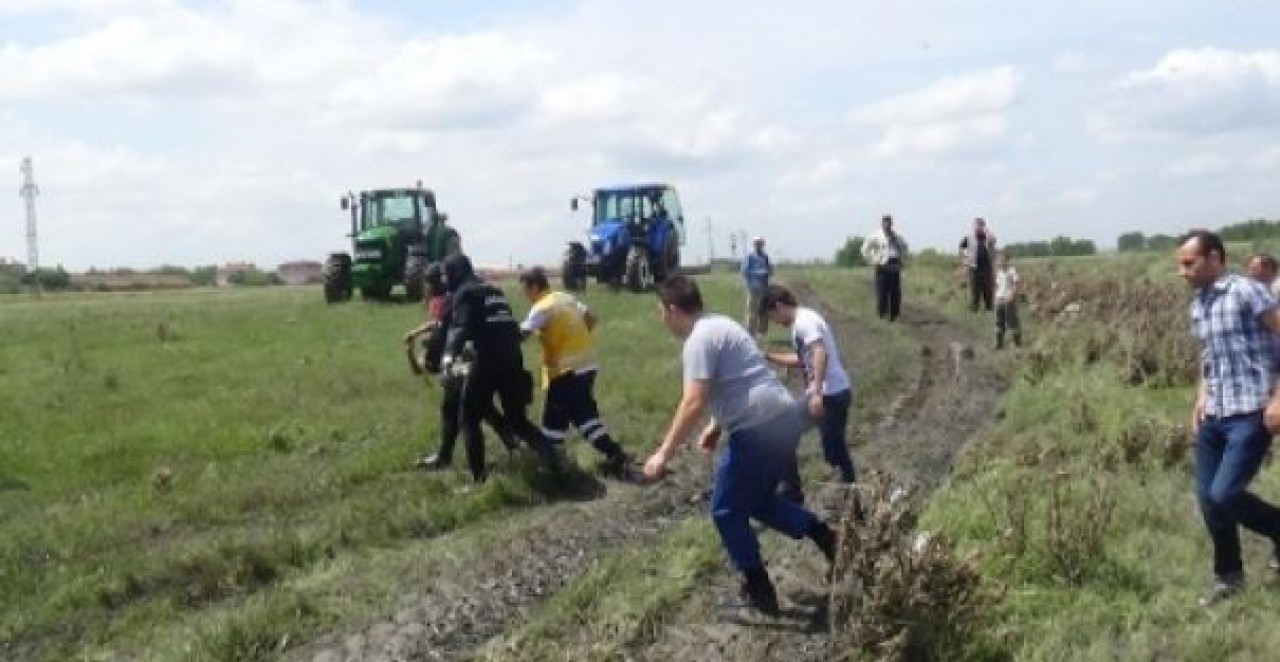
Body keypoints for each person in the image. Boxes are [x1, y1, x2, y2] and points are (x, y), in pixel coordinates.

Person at [642, 275, 839, 616]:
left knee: (726, 510)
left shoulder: (697, 341)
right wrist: (717, 426)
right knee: (758, 501)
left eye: (661, 311)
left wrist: (664, 453)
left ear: (672, 309)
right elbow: (744, 377)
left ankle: (759, 589)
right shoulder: (721, 324)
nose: (662, 319)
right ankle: (826, 537)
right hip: (782, 419)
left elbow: (693, 400)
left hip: (757, 429)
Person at [1177, 230, 1280, 607]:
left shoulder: (1246, 291)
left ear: (1215, 258)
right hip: (1214, 413)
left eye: (1189, 263)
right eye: (1180, 264)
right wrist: (1200, 398)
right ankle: (1229, 576)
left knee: (1224, 494)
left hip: (1251, 411)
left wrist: (1279, 398)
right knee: (1208, 499)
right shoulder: (1198, 304)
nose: (1182, 271)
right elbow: (1209, 356)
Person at [441, 254, 563, 484]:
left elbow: (458, 329)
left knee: (468, 419)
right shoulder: (494, 291)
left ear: (455, 273)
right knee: (518, 421)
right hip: (513, 358)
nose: (445, 280)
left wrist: (448, 360)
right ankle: (555, 462)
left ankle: (479, 481)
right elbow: (511, 329)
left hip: (488, 359)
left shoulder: (465, 293)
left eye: (446, 275)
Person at [517, 266, 631, 477]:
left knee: (553, 424)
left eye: (524, 289)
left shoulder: (541, 306)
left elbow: (522, 333)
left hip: (565, 371)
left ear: (534, 286)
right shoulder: (564, 297)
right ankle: (615, 454)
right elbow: (592, 317)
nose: (523, 294)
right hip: (587, 365)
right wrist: (577, 337)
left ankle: (554, 472)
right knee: (584, 417)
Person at [405, 262, 517, 471]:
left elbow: (456, 330)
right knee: (452, 409)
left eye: (431, 281)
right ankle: (445, 456)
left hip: (465, 362)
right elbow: (442, 326)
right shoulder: (447, 298)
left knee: (478, 410)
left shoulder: (457, 296)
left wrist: (439, 357)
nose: (428, 286)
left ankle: (508, 450)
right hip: (460, 362)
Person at [761, 285, 858, 505]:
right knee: (831, 449)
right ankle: (798, 492)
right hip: (833, 393)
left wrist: (815, 392)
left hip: (829, 395)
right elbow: (804, 360)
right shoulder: (802, 323)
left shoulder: (805, 322)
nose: (775, 322)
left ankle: (848, 501)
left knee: (829, 449)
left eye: (772, 316)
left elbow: (819, 353)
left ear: (778, 306)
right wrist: (768, 357)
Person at [861, 214, 908, 321]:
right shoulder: (876, 236)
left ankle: (894, 316)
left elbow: (905, 247)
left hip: (895, 264)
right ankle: (882, 316)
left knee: (895, 293)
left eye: (889, 222)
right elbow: (864, 249)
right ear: (882, 224)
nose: (887, 224)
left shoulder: (897, 236)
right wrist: (872, 260)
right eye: (885, 222)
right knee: (882, 292)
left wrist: (902, 260)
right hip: (882, 265)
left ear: (892, 223)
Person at [959, 217, 997, 313]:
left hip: (987, 267)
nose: (978, 227)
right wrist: (963, 259)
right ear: (973, 226)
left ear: (984, 226)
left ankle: (989, 308)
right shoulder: (969, 237)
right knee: (975, 288)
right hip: (973, 267)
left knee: (987, 289)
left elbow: (993, 240)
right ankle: (974, 309)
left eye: (980, 225)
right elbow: (961, 246)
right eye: (976, 225)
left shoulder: (988, 237)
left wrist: (987, 232)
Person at [741, 236, 774, 336]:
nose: (758, 245)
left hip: (764, 287)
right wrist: (759, 273)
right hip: (753, 288)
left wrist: (768, 271)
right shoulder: (750, 257)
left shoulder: (765, 257)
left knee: (764, 310)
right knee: (752, 311)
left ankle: (762, 332)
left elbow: (770, 270)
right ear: (754, 245)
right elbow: (745, 271)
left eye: (760, 243)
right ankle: (750, 332)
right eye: (757, 243)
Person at [993, 250, 1023, 349]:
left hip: (1008, 300)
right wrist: (995, 297)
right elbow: (997, 286)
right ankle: (999, 344)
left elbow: (1016, 284)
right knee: (999, 322)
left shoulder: (1011, 271)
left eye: (1003, 259)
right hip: (999, 299)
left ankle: (1017, 344)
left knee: (1012, 322)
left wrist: (1012, 296)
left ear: (1007, 260)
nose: (1000, 261)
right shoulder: (999, 272)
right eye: (999, 259)